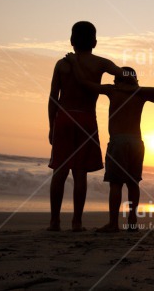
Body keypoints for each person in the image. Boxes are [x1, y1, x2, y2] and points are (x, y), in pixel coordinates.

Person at [66, 55, 154, 232]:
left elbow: (85, 83)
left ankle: (114, 223)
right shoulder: (140, 92)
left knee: (116, 184)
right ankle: (132, 221)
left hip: (118, 141)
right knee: (133, 183)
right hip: (137, 143)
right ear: (135, 79)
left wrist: (74, 63)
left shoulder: (113, 90)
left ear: (116, 80)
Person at [48, 21, 131, 232]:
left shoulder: (62, 64)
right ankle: (77, 222)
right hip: (86, 119)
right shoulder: (101, 63)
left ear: (71, 41)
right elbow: (124, 74)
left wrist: (51, 126)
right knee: (80, 172)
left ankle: (54, 222)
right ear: (94, 42)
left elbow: (53, 99)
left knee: (60, 170)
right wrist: (117, 85)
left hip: (64, 118)